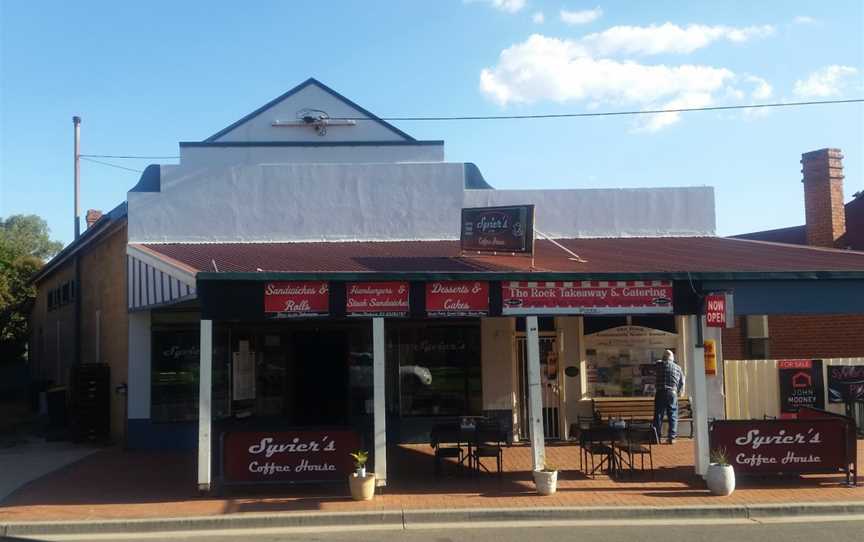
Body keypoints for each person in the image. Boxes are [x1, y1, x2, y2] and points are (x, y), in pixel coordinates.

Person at [653, 349, 684, 444]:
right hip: (672, 393)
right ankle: (672, 437)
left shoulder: (658, 365)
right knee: (673, 415)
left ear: (664, 358)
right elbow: (682, 382)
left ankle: (656, 437)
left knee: (658, 415)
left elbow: (657, 363)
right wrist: (678, 391)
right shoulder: (678, 368)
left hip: (660, 392)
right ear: (672, 358)